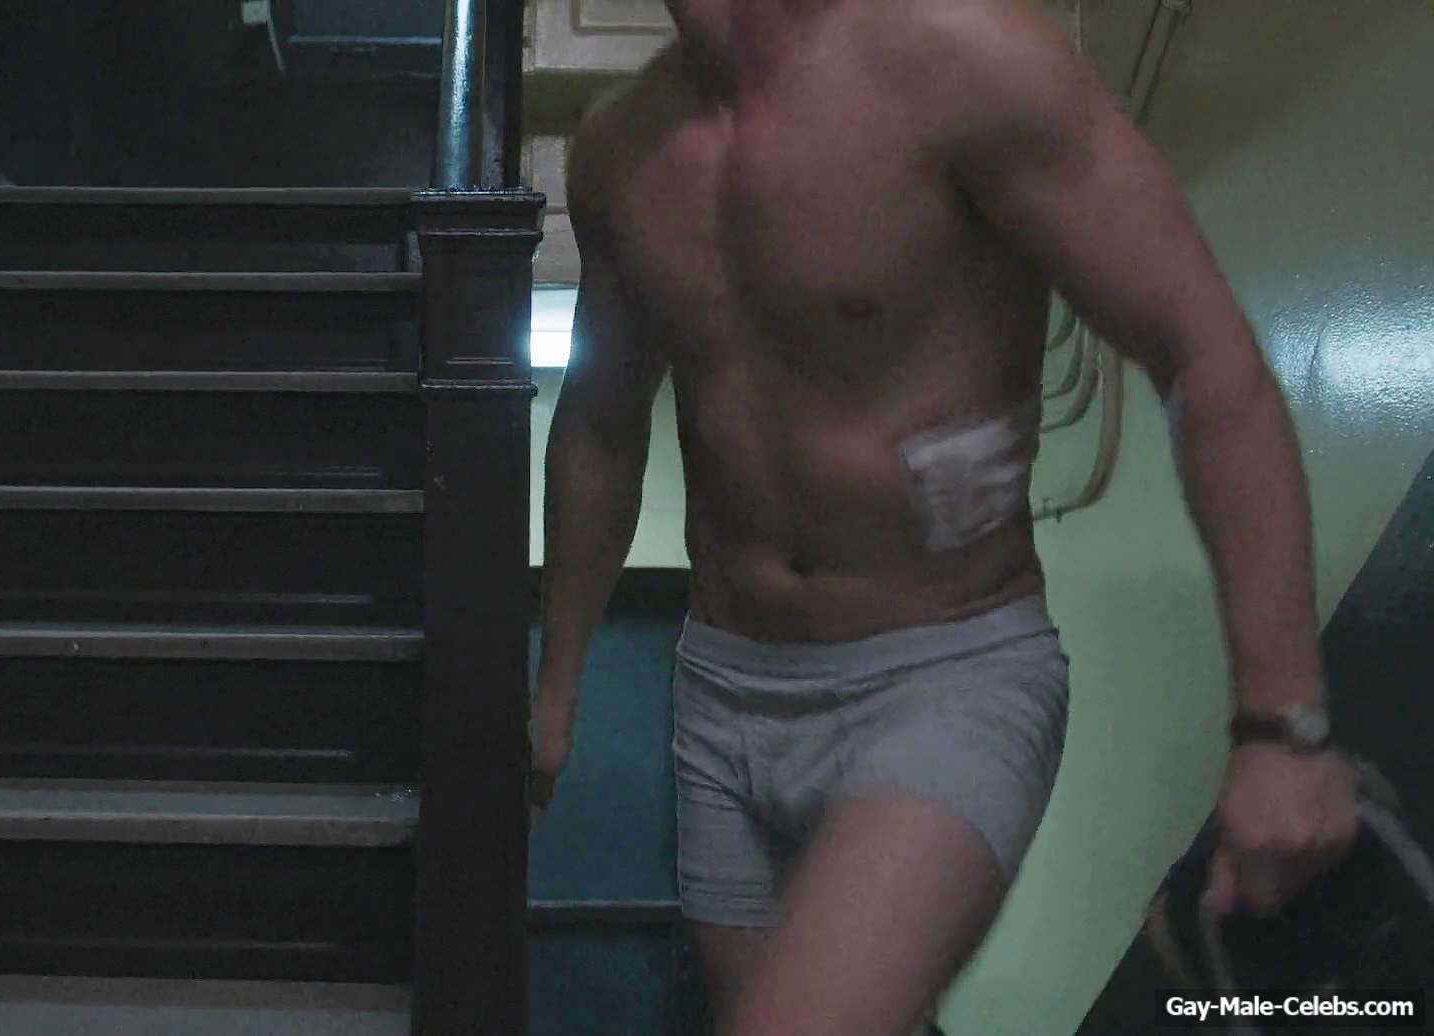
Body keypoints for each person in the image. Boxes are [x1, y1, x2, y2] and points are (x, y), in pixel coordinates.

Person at [528, 0, 1362, 1033]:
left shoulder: (969, 63)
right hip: (723, 694)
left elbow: (1206, 357)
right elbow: (602, 423)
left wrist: (1284, 724)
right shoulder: (619, 149)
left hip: (942, 680)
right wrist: (557, 688)